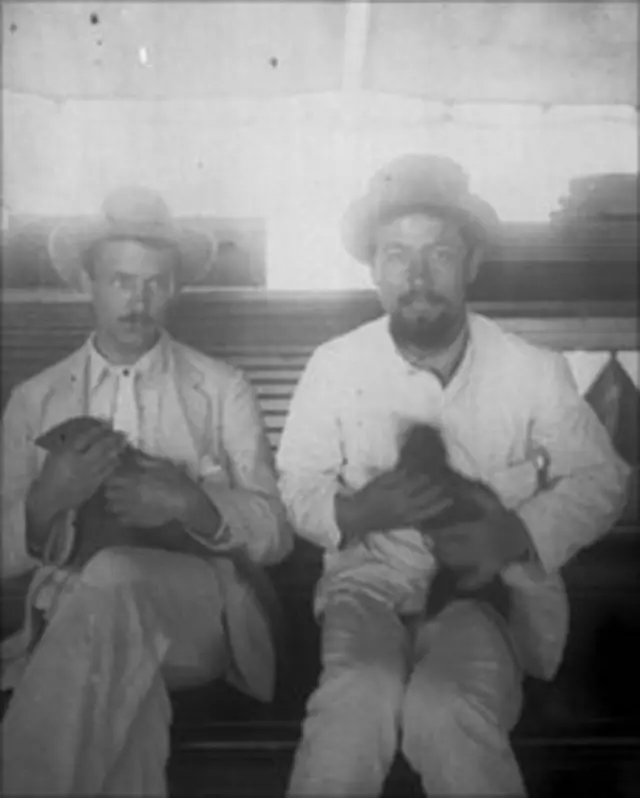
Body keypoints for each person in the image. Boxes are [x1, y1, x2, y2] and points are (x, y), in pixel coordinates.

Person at [277, 155, 630, 797]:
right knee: (357, 698)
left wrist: (515, 535)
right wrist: (356, 514)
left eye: (438, 254)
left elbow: (602, 480)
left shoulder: (531, 369)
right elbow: (297, 484)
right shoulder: (334, 366)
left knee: (448, 709)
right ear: (374, 271)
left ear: (470, 263)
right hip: (367, 587)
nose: (417, 277)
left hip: (484, 595)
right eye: (396, 256)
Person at [1, 186, 292, 796]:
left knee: (112, 576)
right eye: (120, 280)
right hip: (82, 621)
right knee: (125, 705)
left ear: (177, 287)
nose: (139, 300)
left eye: (156, 282)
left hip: (200, 619)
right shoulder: (36, 399)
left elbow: (276, 533)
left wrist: (195, 504)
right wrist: (44, 502)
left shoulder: (221, 388)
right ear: (88, 282)